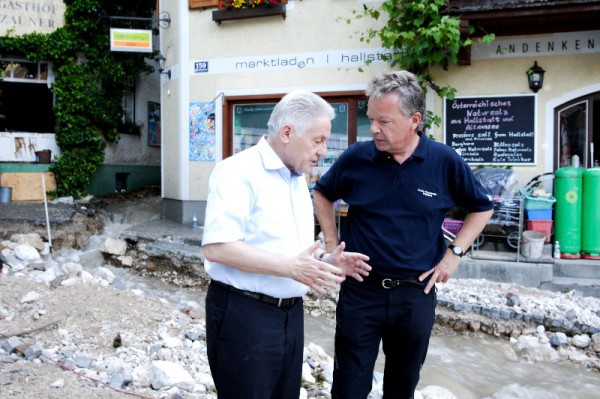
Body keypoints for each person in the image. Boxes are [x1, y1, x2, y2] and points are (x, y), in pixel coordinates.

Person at [313, 70, 494, 399]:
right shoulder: (357, 157)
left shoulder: (444, 162)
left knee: (402, 386)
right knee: (348, 387)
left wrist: (454, 254)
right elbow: (322, 193)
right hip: (360, 292)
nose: (374, 129)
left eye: (384, 121)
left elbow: (481, 207)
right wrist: (330, 246)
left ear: (414, 120)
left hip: (415, 294)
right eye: (371, 119)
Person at [202, 89, 371, 399]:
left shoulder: (295, 177)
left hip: (291, 314)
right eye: (318, 140)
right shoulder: (237, 172)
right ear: (287, 132)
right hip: (245, 314)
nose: (324, 150)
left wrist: (324, 261)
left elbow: (291, 247)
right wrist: (290, 267)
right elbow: (217, 247)